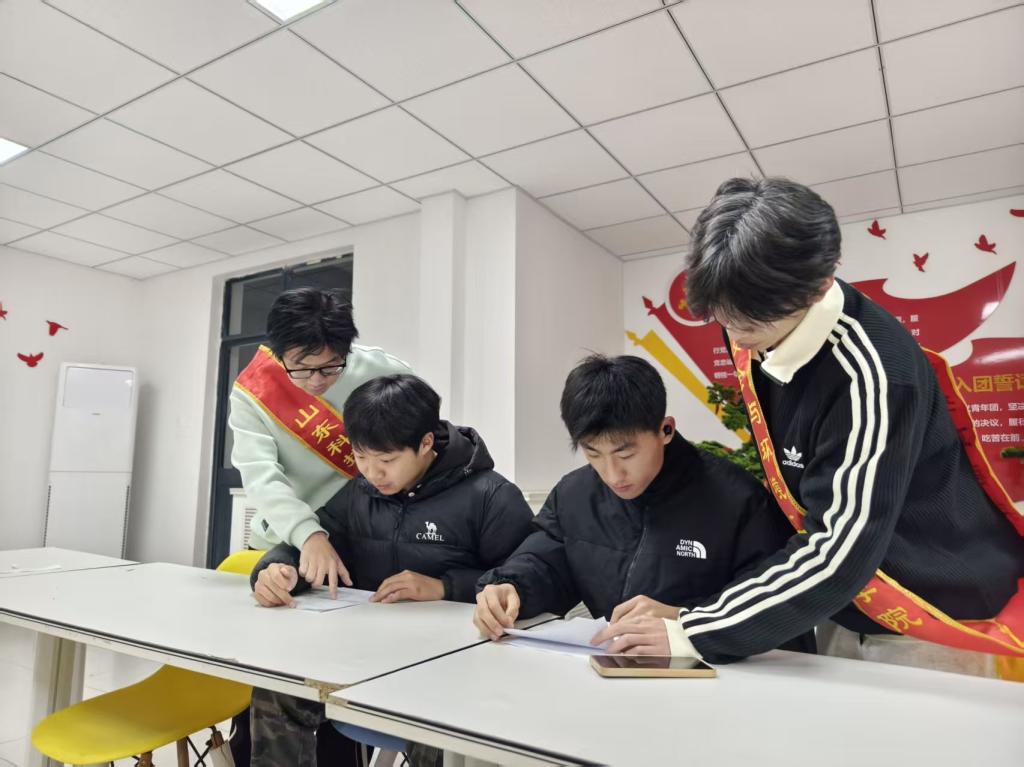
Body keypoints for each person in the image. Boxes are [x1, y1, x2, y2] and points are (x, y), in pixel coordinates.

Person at [591, 177, 1024, 676]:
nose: (737, 339)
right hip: (845, 602)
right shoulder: (752, 319)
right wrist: (699, 618)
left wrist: (694, 630)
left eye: (750, 324)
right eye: (724, 320)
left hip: (932, 613)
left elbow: (837, 550)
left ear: (819, 287)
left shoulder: (874, 375)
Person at [249, 374, 535, 767]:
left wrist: (443, 587)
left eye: (387, 461)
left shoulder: (490, 497)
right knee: (277, 690)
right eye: (361, 457)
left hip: (448, 667)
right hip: (365, 655)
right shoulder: (360, 493)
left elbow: (526, 582)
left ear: (426, 443)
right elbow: (313, 545)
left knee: (437, 726)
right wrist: (278, 569)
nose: (372, 473)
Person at [474, 354, 813, 657]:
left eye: (626, 453)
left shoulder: (738, 500)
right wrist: (513, 587)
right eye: (593, 453)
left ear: (665, 430)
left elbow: (776, 609)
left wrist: (686, 621)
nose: (612, 474)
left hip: (716, 678)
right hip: (614, 672)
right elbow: (545, 563)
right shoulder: (574, 495)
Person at [228, 287, 410, 765]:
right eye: (301, 368)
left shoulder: (384, 372)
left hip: (357, 542)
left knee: (337, 688)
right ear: (277, 353)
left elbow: (416, 443)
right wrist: (309, 535)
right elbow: (261, 478)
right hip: (287, 544)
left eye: (330, 368)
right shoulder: (253, 392)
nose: (316, 381)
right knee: (266, 690)